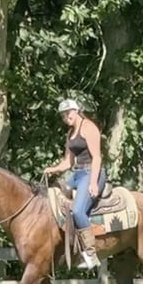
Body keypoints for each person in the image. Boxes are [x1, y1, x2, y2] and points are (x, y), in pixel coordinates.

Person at [44, 98, 106, 270]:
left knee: (78, 210)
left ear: (76, 110)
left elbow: (97, 158)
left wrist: (93, 182)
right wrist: (52, 169)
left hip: (92, 172)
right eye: (63, 115)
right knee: (54, 193)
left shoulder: (89, 127)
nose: (66, 117)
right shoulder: (70, 134)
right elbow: (67, 163)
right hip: (77, 174)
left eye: (68, 113)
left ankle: (91, 253)